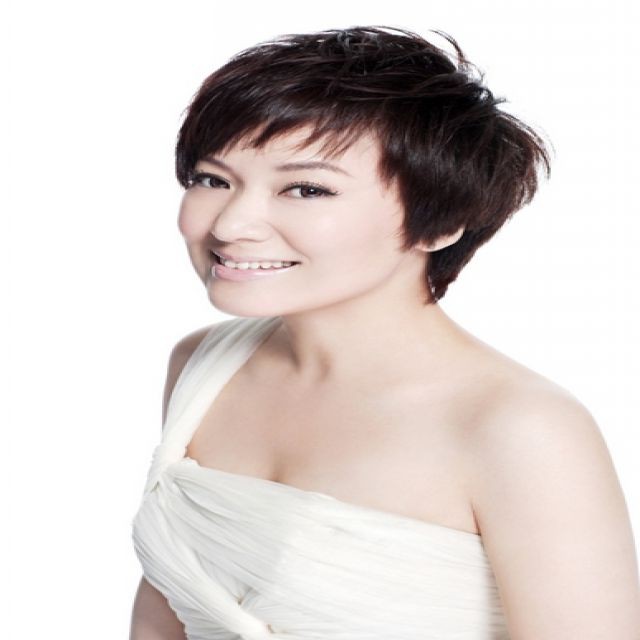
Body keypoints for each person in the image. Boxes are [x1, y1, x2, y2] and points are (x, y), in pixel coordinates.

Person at [129, 25, 640, 640]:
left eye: (306, 188)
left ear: (442, 222)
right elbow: (168, 609)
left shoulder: (518, 427)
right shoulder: (204, 364)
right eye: (213, 179)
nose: (232, 224)